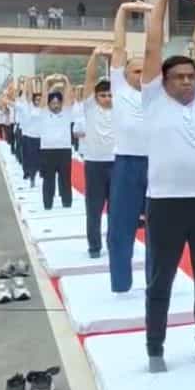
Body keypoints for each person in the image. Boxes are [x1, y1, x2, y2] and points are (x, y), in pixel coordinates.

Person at [140, 0, 195, 373]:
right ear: (165, 81)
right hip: (166, 203)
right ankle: (155, 348)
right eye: (180, 77)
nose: (188, 81)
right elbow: (153, 49)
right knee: (161, 280)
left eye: (192, 76)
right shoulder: (153, 99)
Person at [108, 0, 156, 294]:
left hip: (156, 165)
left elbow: (154, 49)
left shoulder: (157, 93)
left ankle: (155, 281)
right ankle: (121, 284)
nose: (140, 75)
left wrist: (154, 17)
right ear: (124, 75)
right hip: (126, 164)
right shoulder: (120, 89)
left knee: (158, 231)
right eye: (135, 71)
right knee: (120, 228)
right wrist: (124, 12)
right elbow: (118, 48)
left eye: (144, 71)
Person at [80, 46, 116, 257]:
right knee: (94, 209)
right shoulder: (90, 107)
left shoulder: (120, 107)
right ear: (95, 97)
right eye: (103, 95)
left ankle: (114, 244)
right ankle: (94, 246)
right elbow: (90, 79)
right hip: (94, 164)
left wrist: (114, 58)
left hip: (116, 163)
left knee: (115, 210)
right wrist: (94, 56)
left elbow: (120, 80)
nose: (107, 98)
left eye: (110, 94)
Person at [38, 75, 75, 210]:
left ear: (61, 103)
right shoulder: (43, 113)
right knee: (48, 180)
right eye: (52, 102)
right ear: (49, 104)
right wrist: (47, 82)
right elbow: (43, 98)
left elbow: (69, 97)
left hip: (64, 150)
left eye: (57, 102)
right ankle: (47, 204)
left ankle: (67, 203)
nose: (55, 105)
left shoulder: (66, 113)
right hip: (47, 151)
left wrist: (66, 80)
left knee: (65, 179)